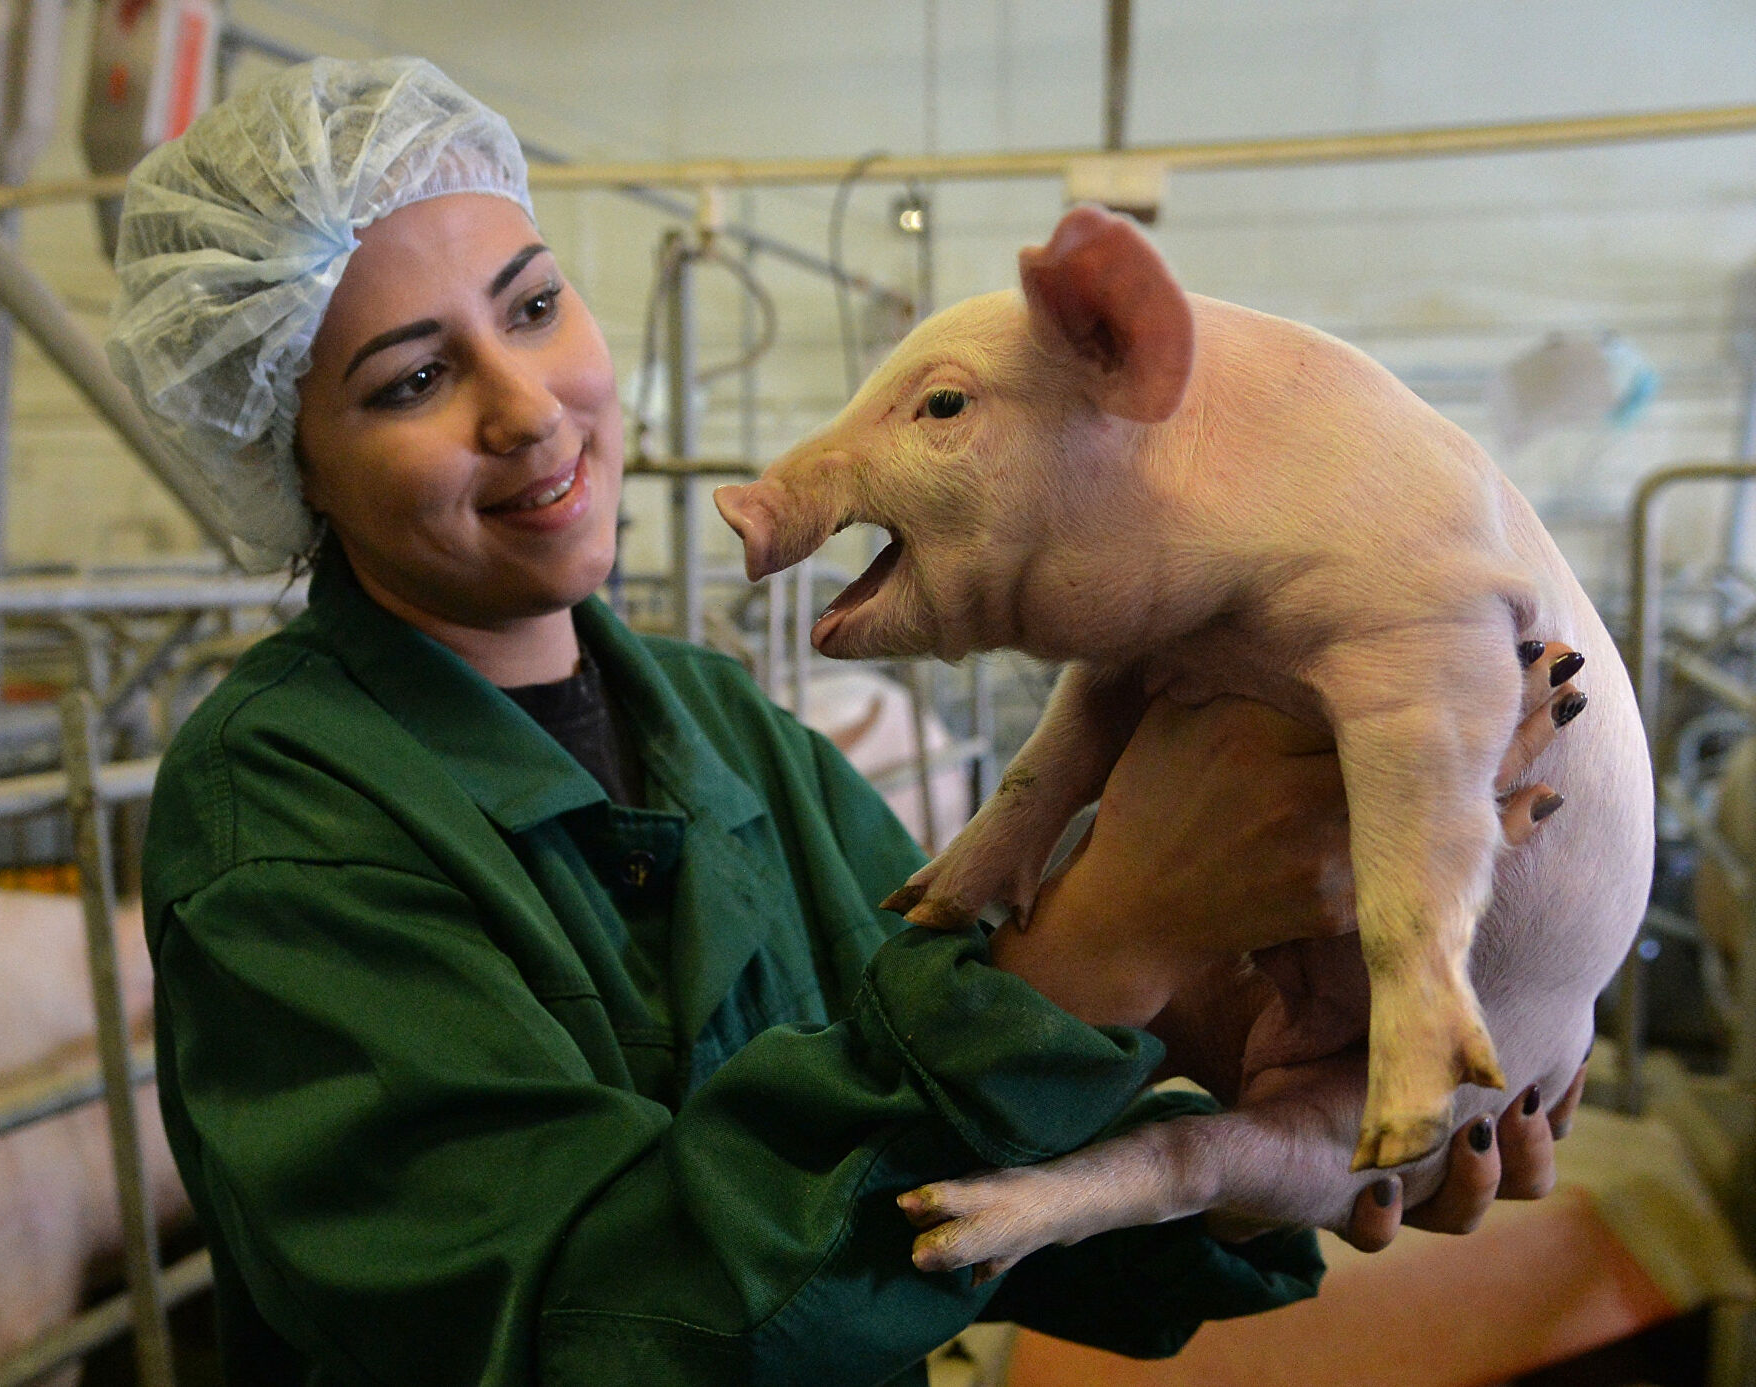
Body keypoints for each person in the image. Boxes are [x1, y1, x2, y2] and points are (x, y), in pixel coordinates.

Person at [107, 56, 1588, 1387]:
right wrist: (1100, 944)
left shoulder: (726, 736)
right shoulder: (282, 828)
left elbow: (958, 1172)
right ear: (289, 458)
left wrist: (1284, 1137)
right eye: (416, 380)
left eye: (536, 307)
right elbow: (587, 1338)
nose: (533, 411)